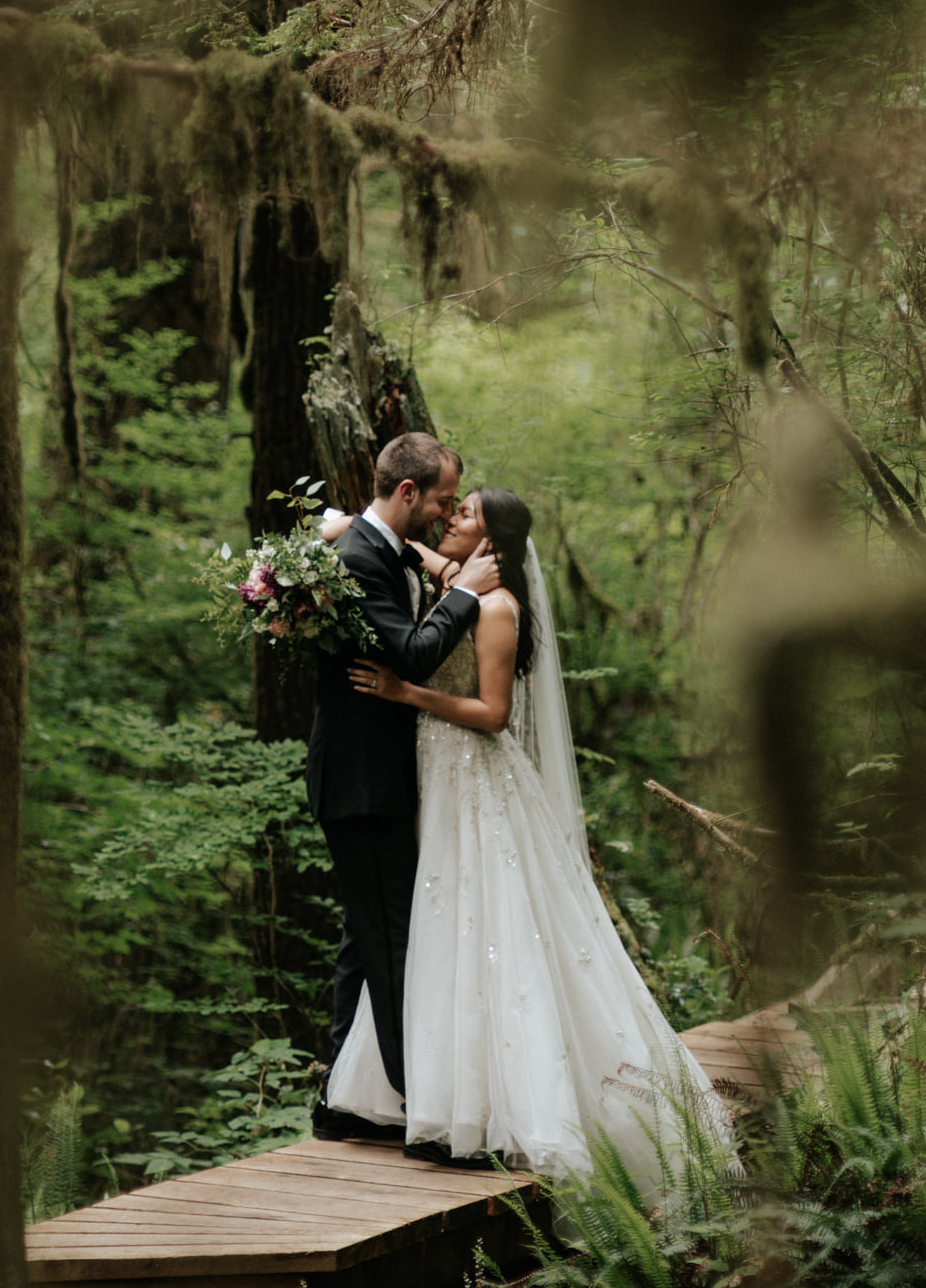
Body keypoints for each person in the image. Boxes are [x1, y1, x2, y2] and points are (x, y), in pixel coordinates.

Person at [322, 487, 725, 1183]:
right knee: (435, 929)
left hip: (475, 781)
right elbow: (409, 552)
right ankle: (427, 1094)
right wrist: (345, 524)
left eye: (467, 513)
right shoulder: (457, 583)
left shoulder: (499, 605)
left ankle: (498, 1106)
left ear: (495, 542)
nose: (451, 519)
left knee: (489, 924)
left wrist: (406, 693)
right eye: (452, 508)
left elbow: (493, 712)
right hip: (434, 781)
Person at [305, 433, 501, 1142]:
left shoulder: (373, 544)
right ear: (409, 492)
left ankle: (339, 1102)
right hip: (362, 782)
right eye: (444, 499)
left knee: (366, 938)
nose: (447, 513)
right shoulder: (361, 558)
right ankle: (419, 1106)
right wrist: (468, 596)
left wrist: (443, 563)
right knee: (391, 944)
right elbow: (414, 654)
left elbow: (388, 547)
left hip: (371, 777)